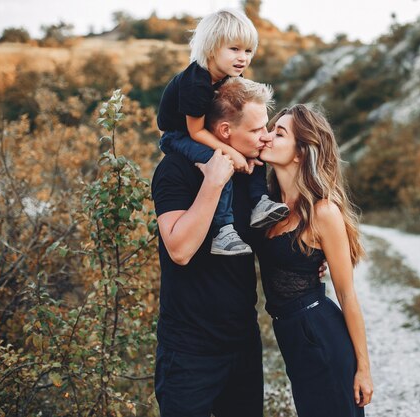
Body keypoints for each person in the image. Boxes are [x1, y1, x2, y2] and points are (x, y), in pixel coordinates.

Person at [151, 77, 274, 417]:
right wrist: (214, 182)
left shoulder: (253, 173)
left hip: (242, 342)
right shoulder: (175, 170)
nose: (265, 136)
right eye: (256, 130)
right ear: (223, 131)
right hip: (189, 350)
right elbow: (180, 249)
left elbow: (265, 241)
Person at [257, 104, 374, 417]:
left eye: (278, 133)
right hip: (291, 336)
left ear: (299, 152)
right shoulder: (264, 206)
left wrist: (363, 368)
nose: (267, 137)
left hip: (319, 333)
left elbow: (347, 295)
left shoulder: (323, 212)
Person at [156, 8, 289, 256]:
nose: (243, 58)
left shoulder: (230, 76)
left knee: (254, 147)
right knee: (219, 161)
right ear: (211, 48)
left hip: (203, 131)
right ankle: (223, 231)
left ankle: (259, 202)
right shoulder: (196, 82)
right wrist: (230, 152)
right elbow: (195, 133)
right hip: (178, 135)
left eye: (248, 51)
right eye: (234, 49)